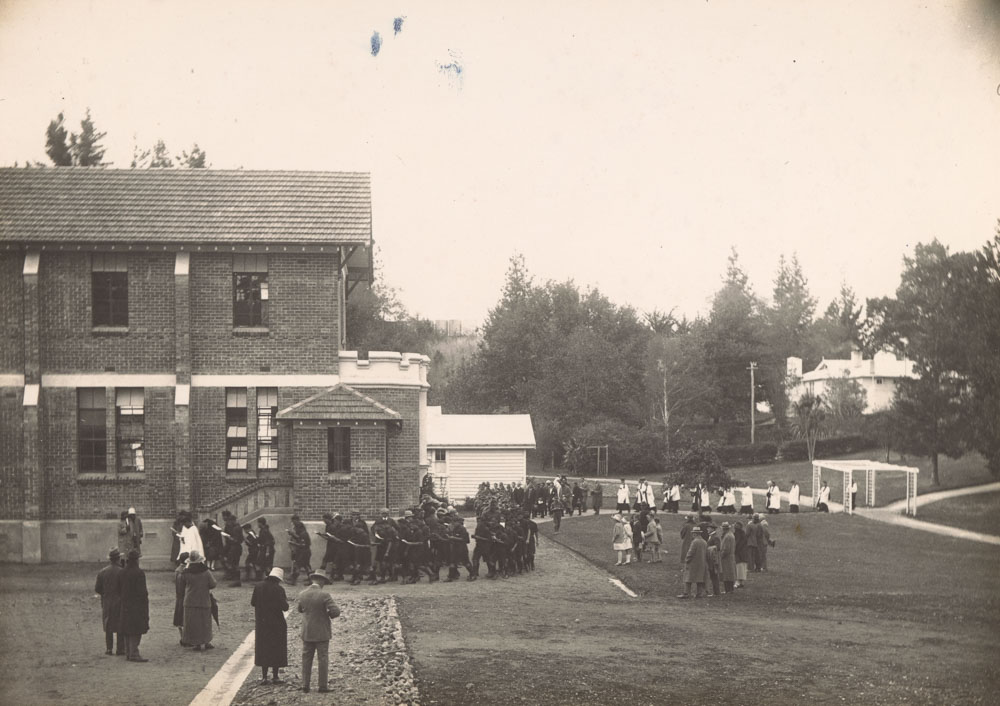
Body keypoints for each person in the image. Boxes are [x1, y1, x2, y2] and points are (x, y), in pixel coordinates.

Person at [298, 569, 341, 694]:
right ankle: (322, 686)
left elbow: (300, 609)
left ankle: (305, 685)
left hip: (307, 631)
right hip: (322, 632)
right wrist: (327, 614)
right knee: (322, 659)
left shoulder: (302, 593)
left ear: (313, 579)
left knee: (306, 658)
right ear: (321, 580)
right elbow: (336, 611)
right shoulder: (324, 595)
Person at [251, 567, 289, 684]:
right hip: (277, 623)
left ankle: (264, 677)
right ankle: (275, 676)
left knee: (264, 648)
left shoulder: (258, 586)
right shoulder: (279, 589)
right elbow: (285, 607)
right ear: (278, 579)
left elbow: (253, 602)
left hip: (262, 623)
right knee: (276, 648)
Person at [180, 550, 217, 651]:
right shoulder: (206, 572)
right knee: (205, 622)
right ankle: (206, 641)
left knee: (193, 623)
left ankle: (196, 643)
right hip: (203, 600)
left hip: (190, 601)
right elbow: (213, 584)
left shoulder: (186, 573)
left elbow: (181, 583)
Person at [118, 549, 149, 662]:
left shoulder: (122, 572)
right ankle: (134, 653)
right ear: (136, 560)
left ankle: (128, 652)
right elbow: (142, 592)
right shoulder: (139, 573)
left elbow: (118, 588)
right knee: (136, 629)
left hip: (125, 604)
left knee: (127, 628)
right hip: (137, 605)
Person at [94, 547, 123, 655]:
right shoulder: (122, 571)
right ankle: (120, 648)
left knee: (108, 625)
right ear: (118, 559)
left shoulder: (102, 572)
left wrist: (105, 594)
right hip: (119, 601)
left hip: (107, 601)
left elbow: (97, 588)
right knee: (120, 625)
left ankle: (109, 648)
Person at [678, 528, 707, 599]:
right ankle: (699, 593)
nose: (692, 535)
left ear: (695, 534)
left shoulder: (695, 542)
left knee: (687, 578)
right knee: (699, 578)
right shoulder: (704, 542)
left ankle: (686, 593)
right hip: (702, 563)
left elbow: (690, 553)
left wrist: (687, 560)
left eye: (693, 533)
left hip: (693, 563)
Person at [173, 552, 190, 645]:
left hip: (179, 597)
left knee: (179, 618)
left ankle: (183, 637)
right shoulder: (184, 571)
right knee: (183, 618)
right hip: (183, 596)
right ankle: (185, 638)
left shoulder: (177, 570)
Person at [719, 522, 736, 593]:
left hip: (727, 558)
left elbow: (726, 549)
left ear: (724, 529)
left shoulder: (727, 536)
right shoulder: (731, 535)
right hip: (731, 556)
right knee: (730, 573)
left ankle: (728, 590)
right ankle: (730, 589)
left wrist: (721, 556)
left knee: (726, 574)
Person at [733, 521, 748, 589]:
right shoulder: (743, 533)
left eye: (735, 525)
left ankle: (738, 581)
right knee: (742, 567)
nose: (734, 526)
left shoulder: (737, 533)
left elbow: (737, 543)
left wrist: (735, 550)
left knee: (738, 567)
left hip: (739, 553)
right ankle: (741, 582)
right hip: (744, 553)